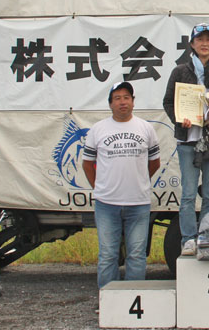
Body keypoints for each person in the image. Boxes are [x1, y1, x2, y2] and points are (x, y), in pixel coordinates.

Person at [163, 23, 209, 256]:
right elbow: (168, 102)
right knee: (188, 195)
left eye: (208, 39)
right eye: (200, 39)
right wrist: (179, 119)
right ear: (192, 44)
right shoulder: (180, 71)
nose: (204, 44)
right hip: (188, 140)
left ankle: (206, 236)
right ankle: (188, 239)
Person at [82, 81, 161, 289]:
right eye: (117, 98)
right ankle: (108, 299)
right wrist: (99, 187)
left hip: (139, 203)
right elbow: (87, 164)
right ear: (110, 104)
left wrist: (139, 180)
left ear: (133, 102)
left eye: (126, 97)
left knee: (137, 254)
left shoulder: (146, 128)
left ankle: (133, 296)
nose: (122, 102)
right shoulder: (98, 129)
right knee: (108, 254)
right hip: (107, 204)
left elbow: (154, 163)